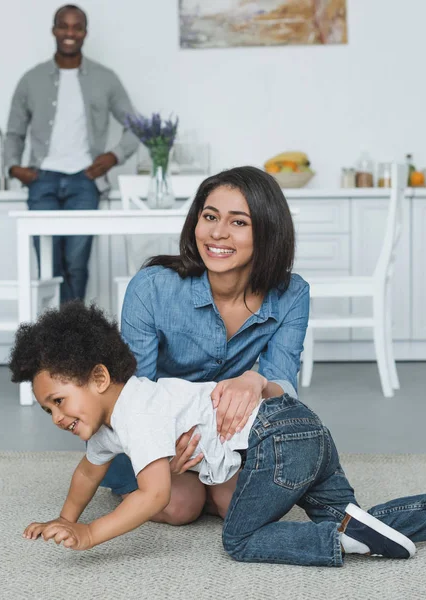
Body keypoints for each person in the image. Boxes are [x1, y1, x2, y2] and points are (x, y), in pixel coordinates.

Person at [9, 302, 426, 564]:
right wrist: (64, 516)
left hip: (273, 439)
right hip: (301, 427)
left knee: (240, 538)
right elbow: (87, 470)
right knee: (350, 514)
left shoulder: (138, 410)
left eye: (59, 400)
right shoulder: (108, 428)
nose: (56, 417)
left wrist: (90, 534)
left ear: (100, 378)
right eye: (46, 410)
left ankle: (338, 539)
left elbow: (156, 494)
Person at [101, 166, 310, 525]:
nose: (217, 232)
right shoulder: (152, 287)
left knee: (240, 505)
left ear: (268, 230)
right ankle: (173, 484)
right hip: (150, 426)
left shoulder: (292, 294)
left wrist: (256, 381)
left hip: (222, 434)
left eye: (238, 222)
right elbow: (133, 392)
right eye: (209, 216)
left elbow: (283, 388)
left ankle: (211, 487)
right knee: (180, 505)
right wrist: (160, 454)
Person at [3, 4, 139, 303]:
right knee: (48, 269)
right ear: (53, 30)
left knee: (77, 266)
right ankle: (50, 344)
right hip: (42, 181)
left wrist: (113, 156)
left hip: (84, 183)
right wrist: (14, 167)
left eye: (77, 27)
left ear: (85, 33)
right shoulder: (31, 79)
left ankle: (73, 346)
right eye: (63, 26)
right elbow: (14, 132)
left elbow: (136, 126)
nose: (70, 33)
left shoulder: (106, 78)